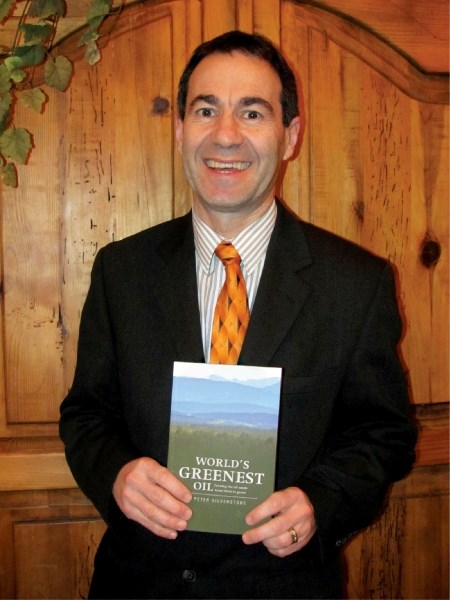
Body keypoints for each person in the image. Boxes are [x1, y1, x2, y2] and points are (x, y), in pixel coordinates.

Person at [59, 30, 417, 599]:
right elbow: (86, 415)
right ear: (180, 129)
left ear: (290, 135)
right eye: (206, 110)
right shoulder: (120, 272)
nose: (225, 136)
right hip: (139, 583)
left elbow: (384, 433)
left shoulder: (356, 283)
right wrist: (118, 476)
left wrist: (321, 503)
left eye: (252, 112)